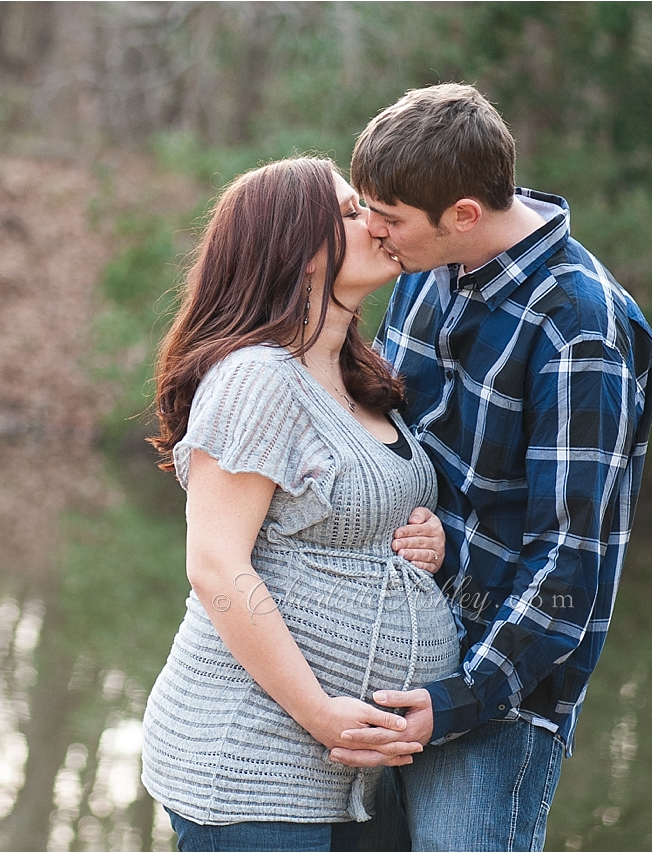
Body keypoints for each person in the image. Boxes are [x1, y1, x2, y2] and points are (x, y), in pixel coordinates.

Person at [331, 84, 652, 851]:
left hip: (491, 701)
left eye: (391, 219)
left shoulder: (584, 330)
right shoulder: (421, 263)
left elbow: (569, 564)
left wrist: (453, 701)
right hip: (381, 658)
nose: (372, 231)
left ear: (465, 214)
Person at [139, 156, 460, 852]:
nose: (374, 222)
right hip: (252, 768)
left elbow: (351, 514)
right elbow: (217, 567)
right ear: (299, 252)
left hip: (355, 783)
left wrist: (425, 537)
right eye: (349, 213)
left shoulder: (352, 374)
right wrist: (320, 713)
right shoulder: (258, 377)